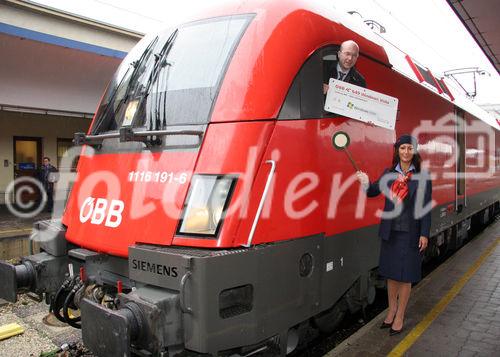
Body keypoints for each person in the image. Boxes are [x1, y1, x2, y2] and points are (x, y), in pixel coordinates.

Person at [356, 135, 432, 335]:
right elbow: (373, 191)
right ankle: (391, 311)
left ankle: (400, 316)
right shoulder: (388, 173)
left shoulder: (422, 177)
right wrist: (365, 183)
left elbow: (424, 208)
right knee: (391, 274)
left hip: (410, 233)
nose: (406, 152)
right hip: (391, 232)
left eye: (410, 148)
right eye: (403, 148)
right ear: (397, 150)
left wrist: (424, 233)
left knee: (405, 276)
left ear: (414, 151)